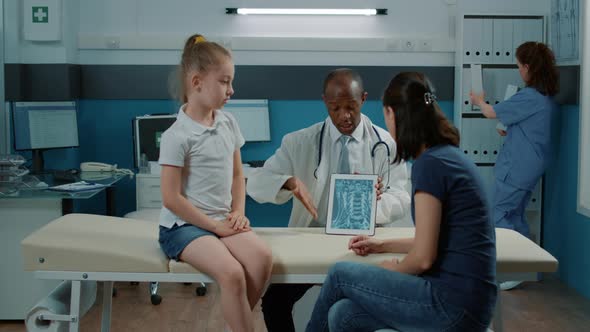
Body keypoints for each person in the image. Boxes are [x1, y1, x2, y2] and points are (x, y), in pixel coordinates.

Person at [306, 72, 497, 332]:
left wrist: (391, 272)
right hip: (471, 304)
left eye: (386, 115)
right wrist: (381, 245)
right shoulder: (447, 157)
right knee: (343, 315)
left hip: (450, 305)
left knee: (340, 274)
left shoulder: (430, 165)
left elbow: (423, 258)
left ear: (393, 114)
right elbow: (436, 240)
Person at [247, 68, 411, 332]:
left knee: (346, 312)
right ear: (324, 101)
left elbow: (401, 196)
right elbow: (256, 182)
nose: (344, 116)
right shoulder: (299, 142)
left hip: (363, 243)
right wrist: (288, 182)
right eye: (335, 108)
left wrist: (369, 205)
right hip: (312, 240)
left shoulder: (386, 143)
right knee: (274, 302)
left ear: (364, 99)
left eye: (351, 107)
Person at [157, 34, 272, 332]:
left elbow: (237, 175)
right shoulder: (175, 136)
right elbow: (171, 199)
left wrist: (238, 211)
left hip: (222, 219)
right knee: (232, 274)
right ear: (197, 82)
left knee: (261, 259)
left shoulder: (228, 122)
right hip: (183, 227)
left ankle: (235, 322)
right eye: (224, 81)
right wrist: (215, 226)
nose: (231, 90)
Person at [470, 42, 559, 290]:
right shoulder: (544, 98)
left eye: (519, 66)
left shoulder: (529, 97)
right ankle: (529, 269)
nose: (519, 71)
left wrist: (479, 100)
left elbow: (490, 113)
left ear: (528, 67)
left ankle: (515, 268)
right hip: (528, 167)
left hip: (516, 169)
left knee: (496, 213)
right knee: (515, 215)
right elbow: (524, 129)